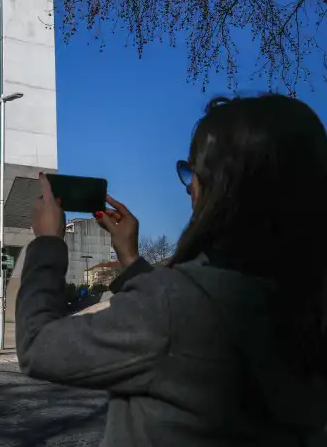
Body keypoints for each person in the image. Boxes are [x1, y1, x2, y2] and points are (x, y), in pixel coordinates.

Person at [16, 94, 327, 445]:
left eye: (191, 171)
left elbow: (37, 345)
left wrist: (48, 243)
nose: (188, 187)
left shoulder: (173, 308)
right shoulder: (305, 304)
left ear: (220, 185)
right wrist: (132, 262)